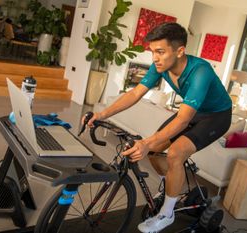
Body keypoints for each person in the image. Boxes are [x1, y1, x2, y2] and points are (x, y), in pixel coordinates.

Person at [83, 22, 232, 233]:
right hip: (193, 112)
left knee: (174, 154)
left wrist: (144, 142)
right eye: (153, 52)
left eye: (160, 52)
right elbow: (135, 94)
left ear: (179, 51)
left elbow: (182, 120)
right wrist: (102, 113)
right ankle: (170, 187)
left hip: (217, 116)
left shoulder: (201, 71)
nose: (154, 58)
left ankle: (167, 213)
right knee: (154, 152)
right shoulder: (160, 67)